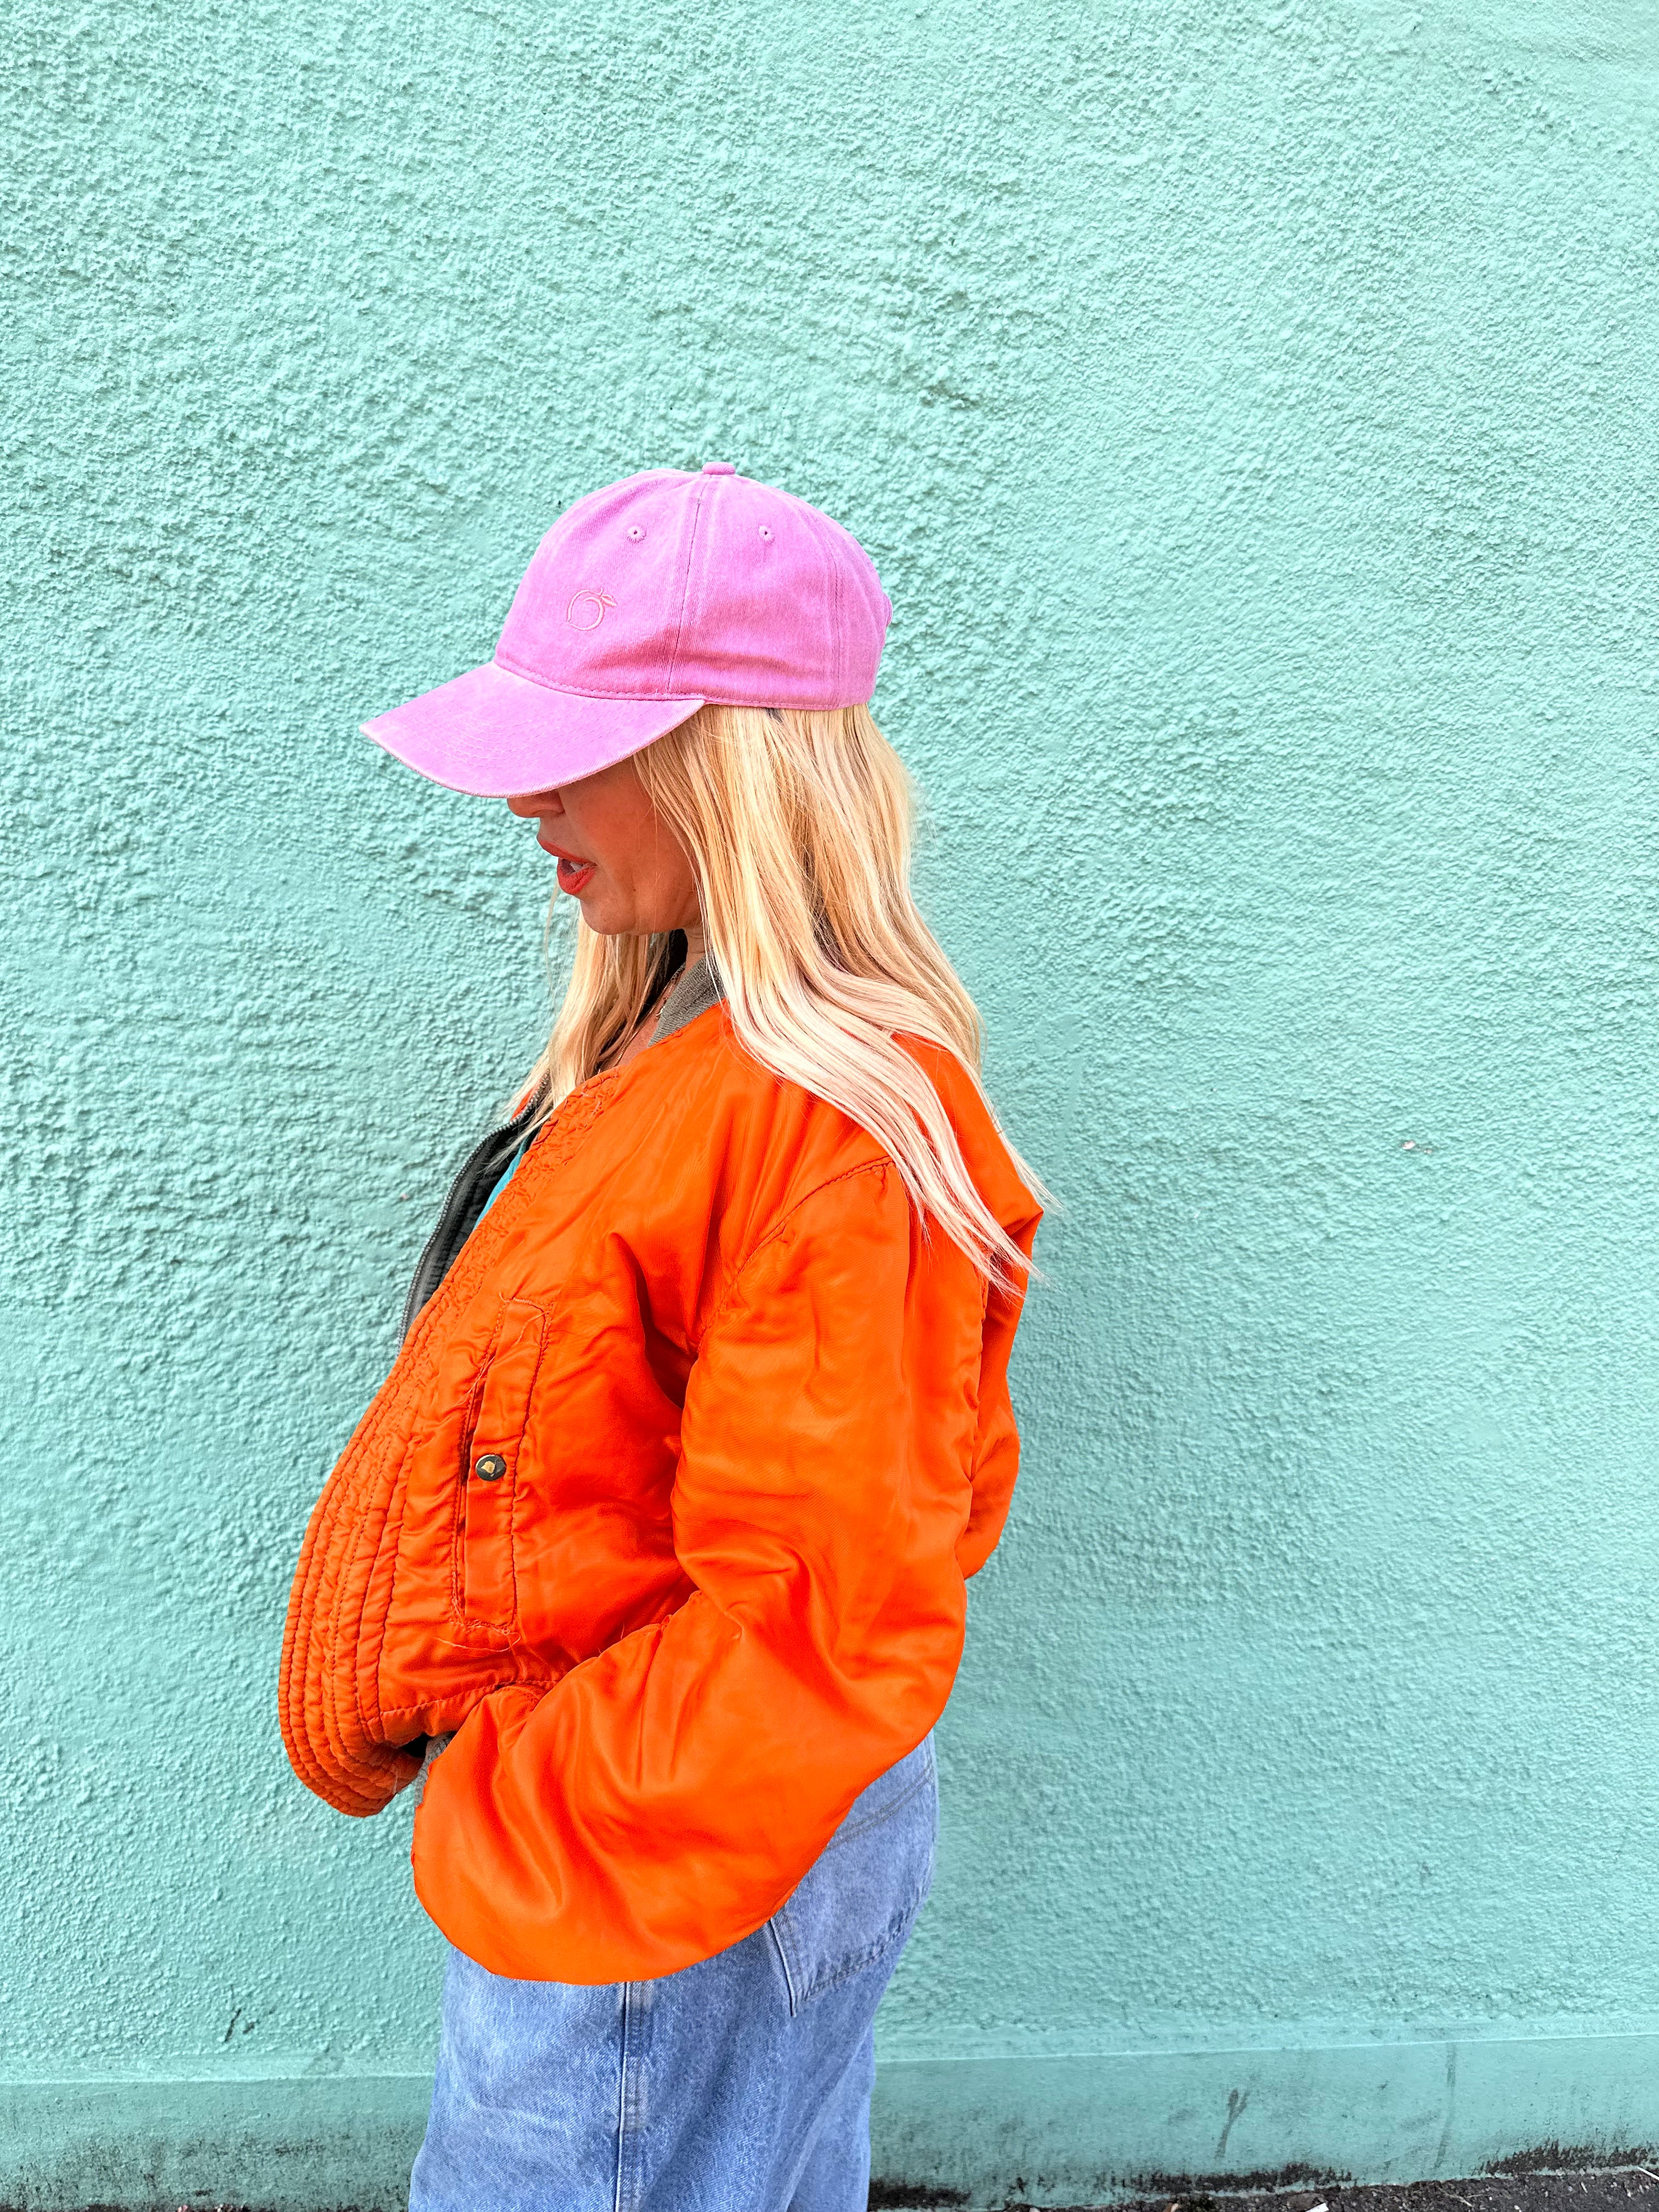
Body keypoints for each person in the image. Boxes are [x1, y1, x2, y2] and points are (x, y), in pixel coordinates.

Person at [279, 462, 1044, 2212]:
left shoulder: (827, 1116)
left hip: (662, 1873)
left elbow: (821, 1621)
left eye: (580, 744)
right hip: (666, 1853)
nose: (527, 795)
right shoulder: (673, 1045)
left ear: (732, 766)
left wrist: (539, 1821)